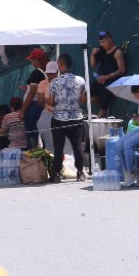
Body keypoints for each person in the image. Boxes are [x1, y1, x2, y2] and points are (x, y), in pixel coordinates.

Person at [46, 54, 87, 183]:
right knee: (77, 146)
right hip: (76, 118)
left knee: (58, 147)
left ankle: (57, 173)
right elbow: (83, 100)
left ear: (61, 65)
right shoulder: (80, 80)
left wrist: (52, 104)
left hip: (59, 119)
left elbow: (51, 102)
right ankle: (80, 172)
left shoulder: (55, 82)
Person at [89, 31, 127, 118]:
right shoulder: (101, 50)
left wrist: (106, 77)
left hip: (111, 84)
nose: (102, 44)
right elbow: (93, 65)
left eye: (103, 42)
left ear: (110, 40)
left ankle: (103, 110)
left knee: (101, 113)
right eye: (100, 42)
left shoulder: (117, 52)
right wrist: (93, 54)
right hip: (99, 82)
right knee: (85, 96)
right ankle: (102, 105)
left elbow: (122, 70)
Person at [35, 61, 60, 152]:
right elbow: (39, 101)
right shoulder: (42, 83)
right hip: (48, 113)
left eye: (52, 74)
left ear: (57, 72)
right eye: (48, 74)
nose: (50, 76)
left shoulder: (62, 83)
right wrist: (48, 104)